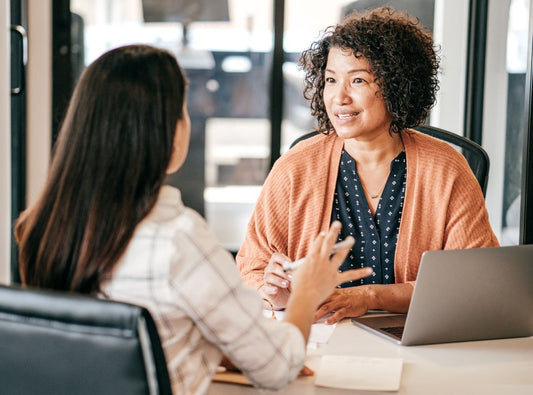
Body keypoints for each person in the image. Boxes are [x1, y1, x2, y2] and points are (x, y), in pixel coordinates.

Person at [14, 44, 372, 394]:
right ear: (165, 132)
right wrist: (306, 294)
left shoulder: (42, 227)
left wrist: (219, 347)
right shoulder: (178, 239)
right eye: (183, 111)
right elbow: (278, 367)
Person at [237, 7, 499, 325]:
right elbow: (252, 268)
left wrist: (372, 297)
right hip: (316, 335)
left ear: (395, 85)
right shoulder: (295, 167)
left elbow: (471, 282)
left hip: (415, 339)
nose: (339, 97)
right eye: (331, 80)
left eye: (357, 80)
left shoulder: (446, 168)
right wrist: (275, 293)